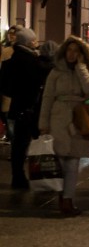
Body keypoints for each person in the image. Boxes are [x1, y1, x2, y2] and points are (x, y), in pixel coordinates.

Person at [38, 36, 89, 216]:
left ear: (82, 54)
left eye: (76, 51)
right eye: (69, 50)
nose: (72, 54)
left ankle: (67, 199)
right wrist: (43, 124)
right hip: (58, 118)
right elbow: (47, 98)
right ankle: (62, 196)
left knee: (73, 163)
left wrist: (81, 68)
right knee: (60, 162)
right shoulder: (56, 72)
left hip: (80, 118)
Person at [0, 27, 51, 189]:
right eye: (34, 40)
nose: (36, 43)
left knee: (19, 143)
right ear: (29, 42)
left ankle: (18, 175)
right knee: (23, 143)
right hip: (28, 108)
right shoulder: (28, 59)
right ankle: (22, 176)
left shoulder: (16, 57)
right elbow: (38, 78)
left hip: (18, 106)